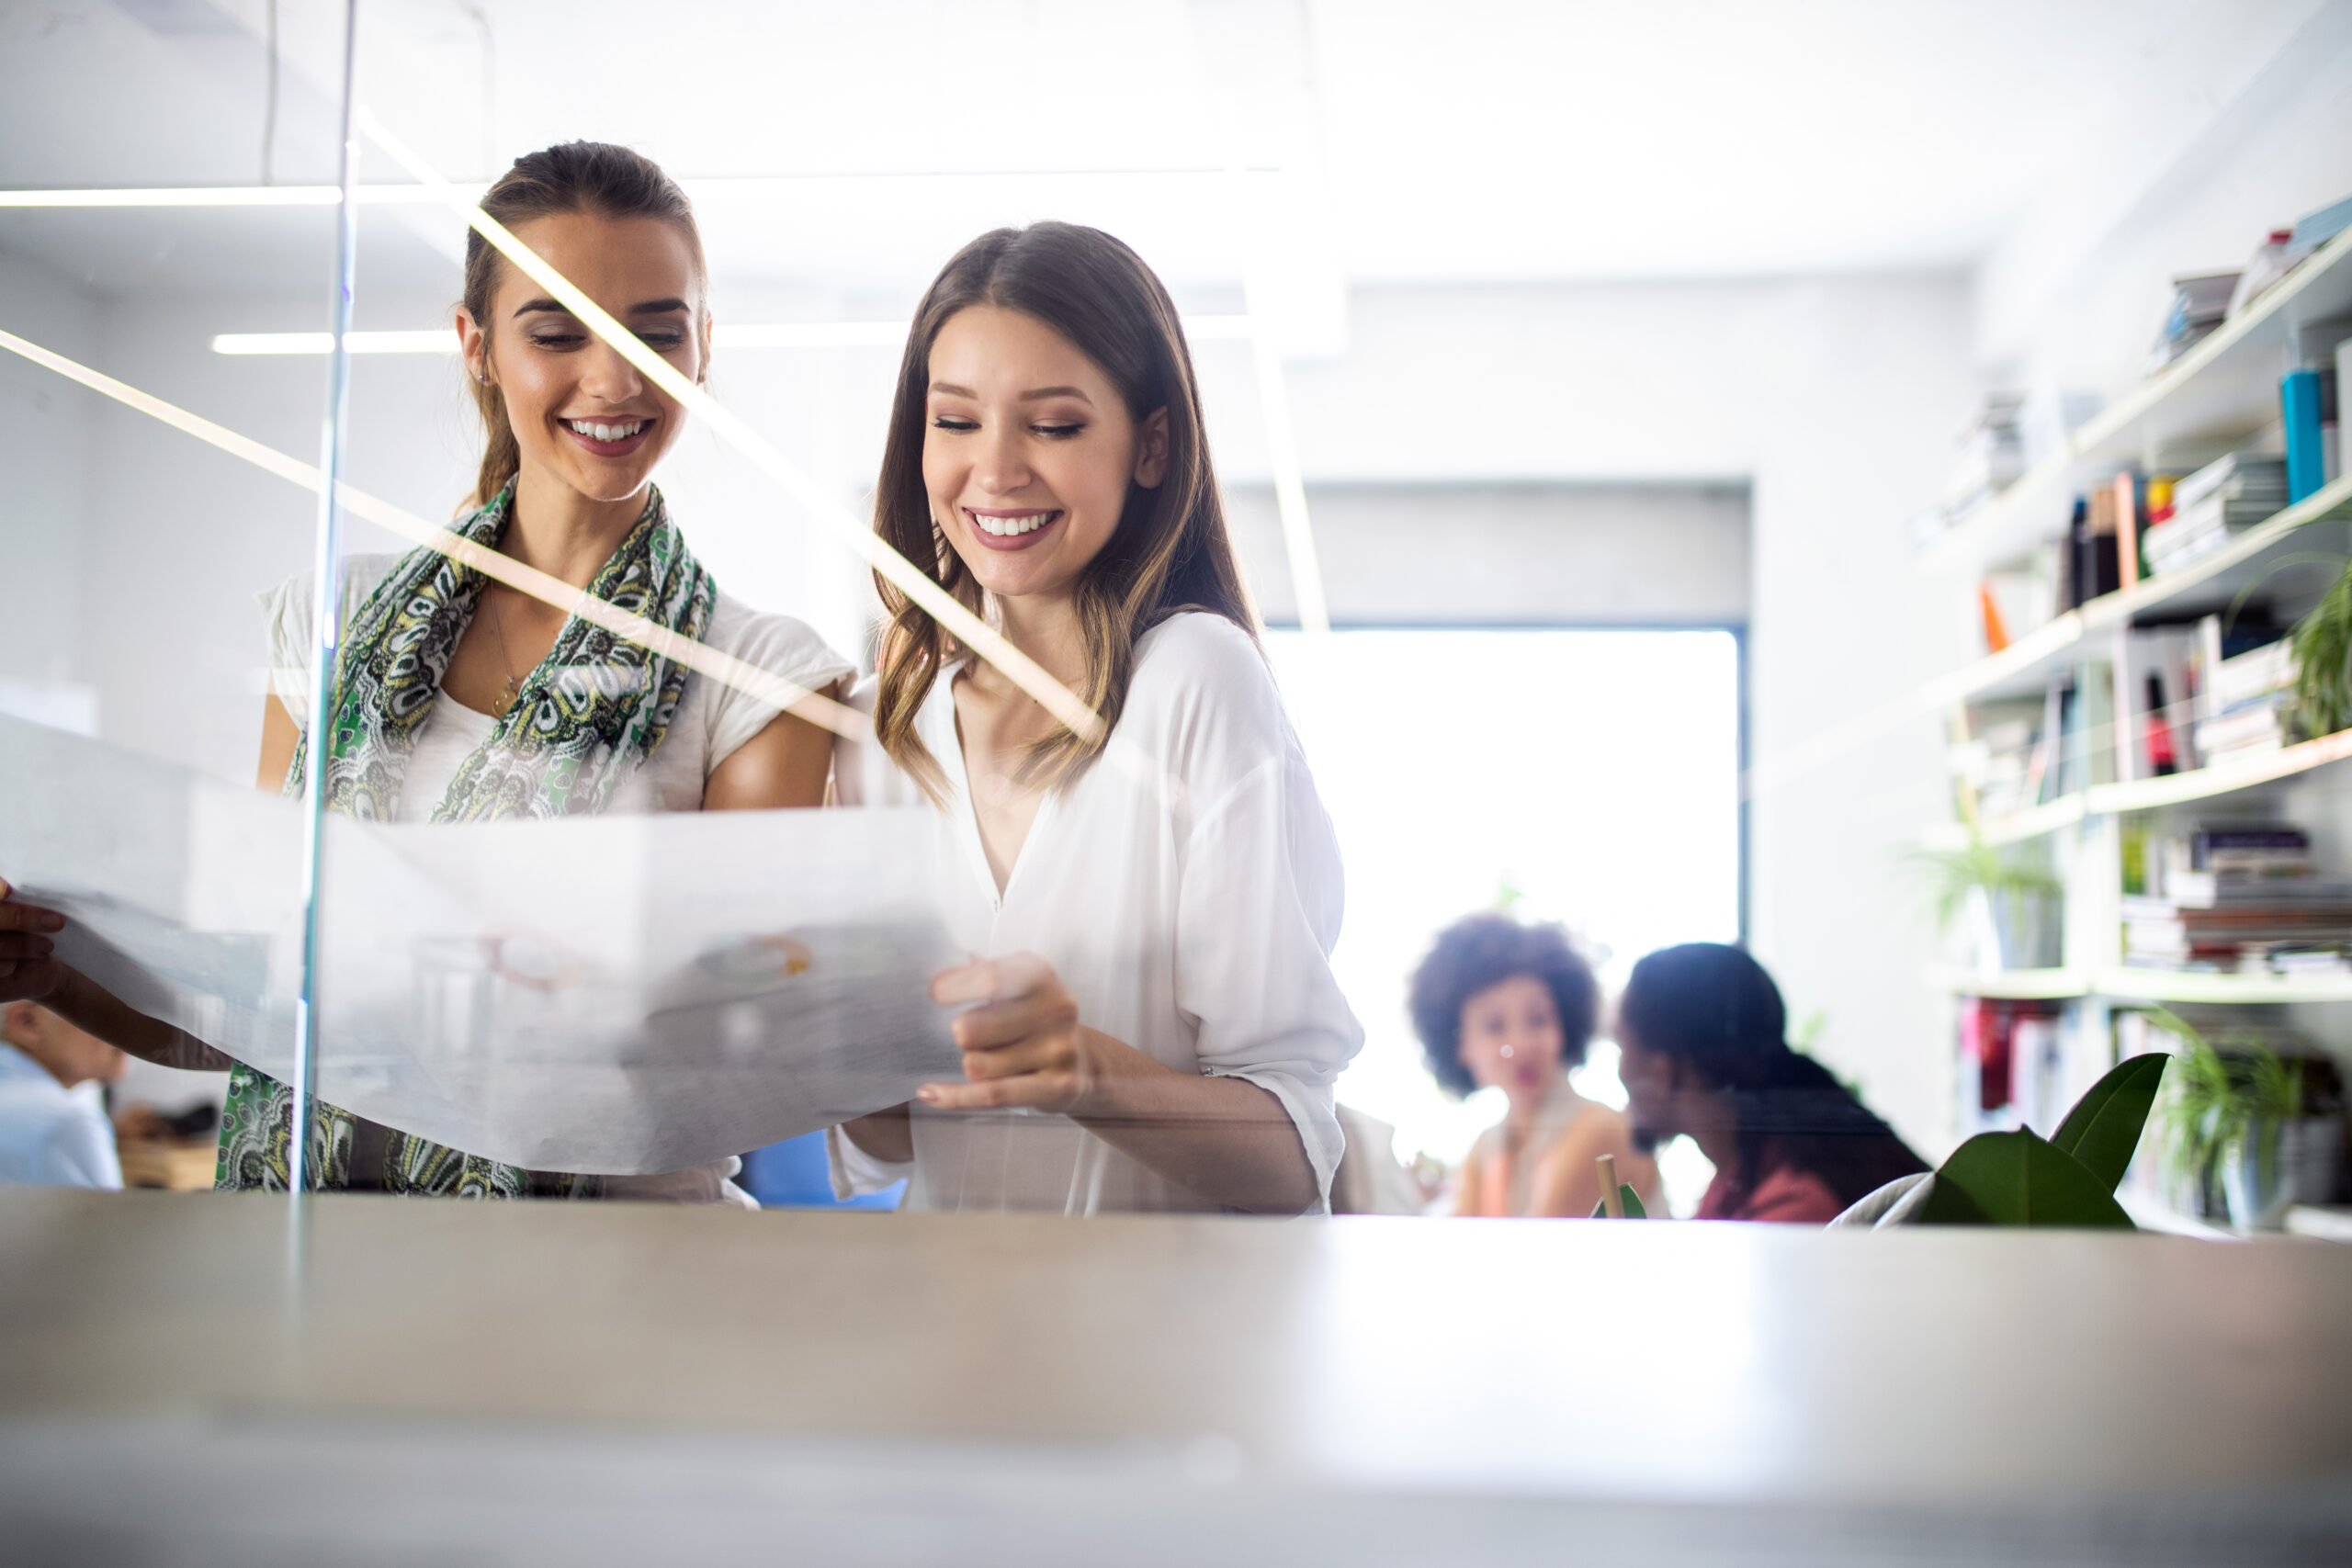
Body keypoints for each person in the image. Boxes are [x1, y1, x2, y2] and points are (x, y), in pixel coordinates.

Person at [0, 141, 851, 1203]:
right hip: (322, 1269)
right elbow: (252, 1014)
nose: (617, 379)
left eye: (658, 331)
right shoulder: (331, 623)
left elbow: (736, 1058)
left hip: (620, 1290)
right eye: (555, 332)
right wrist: (52, 975)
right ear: (477, 345)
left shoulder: (759, 672)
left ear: (705, 345)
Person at [829, 221, 1362, 1215]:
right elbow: (889, 1138)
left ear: (1150, 445)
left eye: (1054, 425)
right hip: (954, 1341)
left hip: (1160, 1351)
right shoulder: (881, 733)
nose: (993, 471)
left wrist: (1088, 1074)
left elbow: (1294, 1159)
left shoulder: (1196, 682)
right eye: (954, 421)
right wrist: (811, 1039)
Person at [1615, 942, 1928, 1224]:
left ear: (1663, 1069)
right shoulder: (1741, 1179)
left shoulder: (1791, 1212)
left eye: (1622, 1045)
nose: (1620, 1070)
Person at [1408, 912, 1656, 1218]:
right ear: (1461, 1046)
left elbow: (1539, 1258)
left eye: (1538, 1019)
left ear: (1564, 1026)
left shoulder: (1599, 1130)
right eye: (1495, 1026)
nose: (1522, 1044)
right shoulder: (1486, 1147)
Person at [0, 1001, 125, 1189]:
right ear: (27, 1021)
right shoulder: (68, 1123)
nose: (126, 1038)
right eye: (106, 1017)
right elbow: (111, 1218)